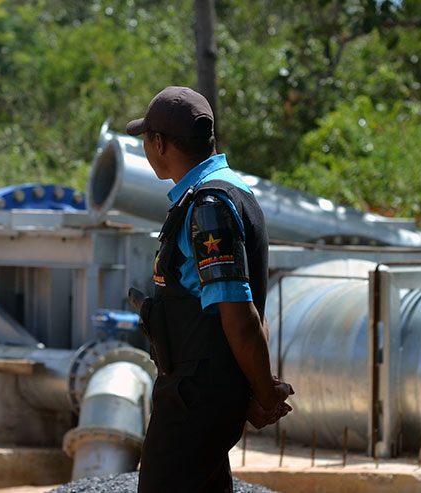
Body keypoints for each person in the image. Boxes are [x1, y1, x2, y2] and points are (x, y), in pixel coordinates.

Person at [126, 86, 294, 493]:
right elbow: (252, 304)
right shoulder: (226, 193)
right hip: (200, 392)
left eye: (146, 139)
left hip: (195, 397)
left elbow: (239, 315)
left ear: (160, 143)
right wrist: (256, 387)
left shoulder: (208, 206)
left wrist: (264, 395)